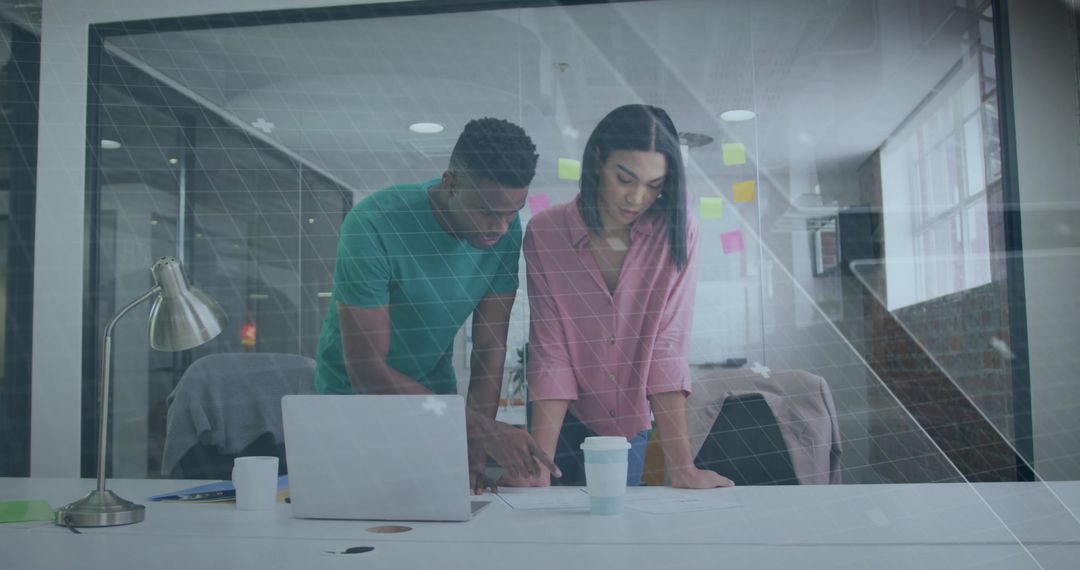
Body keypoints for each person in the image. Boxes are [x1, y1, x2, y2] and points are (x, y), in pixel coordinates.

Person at [315, 117, 560, 493]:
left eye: (512, 211)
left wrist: (475, 449)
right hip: (353, 403)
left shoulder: (504, 231)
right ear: (450, 183)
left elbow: (489, 347)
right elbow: (367, 371)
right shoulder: (373, 224)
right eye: (487, 211)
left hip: (435, 401)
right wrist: (482, 429)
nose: (500, 227)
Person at [505, 104, 733, 489]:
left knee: (616, 517)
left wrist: (683, 468)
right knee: (544, 510)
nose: (637, 198)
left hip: (630, 421)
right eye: (625, 178)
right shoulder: (546, 232)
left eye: (654, 185)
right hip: (559, 418)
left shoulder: (677, 233)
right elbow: (551, 350)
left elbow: (666, 347)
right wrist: (539, 466)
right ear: (598, 160)